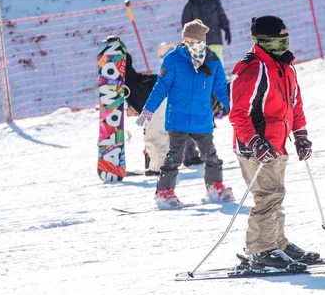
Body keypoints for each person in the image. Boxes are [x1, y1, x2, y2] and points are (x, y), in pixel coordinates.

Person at [229, 15, 314, 270]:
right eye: (281, 33)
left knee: (275, 195)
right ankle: (261, 250)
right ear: (266, 39)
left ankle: (276, 242)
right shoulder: (253, 68)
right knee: (268, 195)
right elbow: (237, 114)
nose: (285, 37)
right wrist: (255, 142)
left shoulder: (286, 66)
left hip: (278, 143)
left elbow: (294, 104)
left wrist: (300, 134)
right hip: (255, 146)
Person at [136, 19, 234, 208]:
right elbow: (161, 86)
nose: (190, 43)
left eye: (194, 39)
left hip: (202, 118)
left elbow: (221, 88)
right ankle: (164, 191)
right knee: (174, 157)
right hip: (178, 117)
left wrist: (232, 108)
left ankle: (215, 186)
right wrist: (148, 109)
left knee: (210, 155)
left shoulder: (212, 60)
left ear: (202, 39)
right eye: (187, 39)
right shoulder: (173, 58)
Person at [124, 44, 202, 176]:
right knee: (166, 133)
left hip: (160, 102)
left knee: (157, 136)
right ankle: (163, 164)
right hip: (166, 100)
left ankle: (159, 167)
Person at [181, 0, 231, 64]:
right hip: (199, 42)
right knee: (203, 68)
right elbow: (186, 24)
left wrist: (226, 28)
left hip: (215, 37)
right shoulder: (190, 5)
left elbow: (221, 14)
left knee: (217, 64)